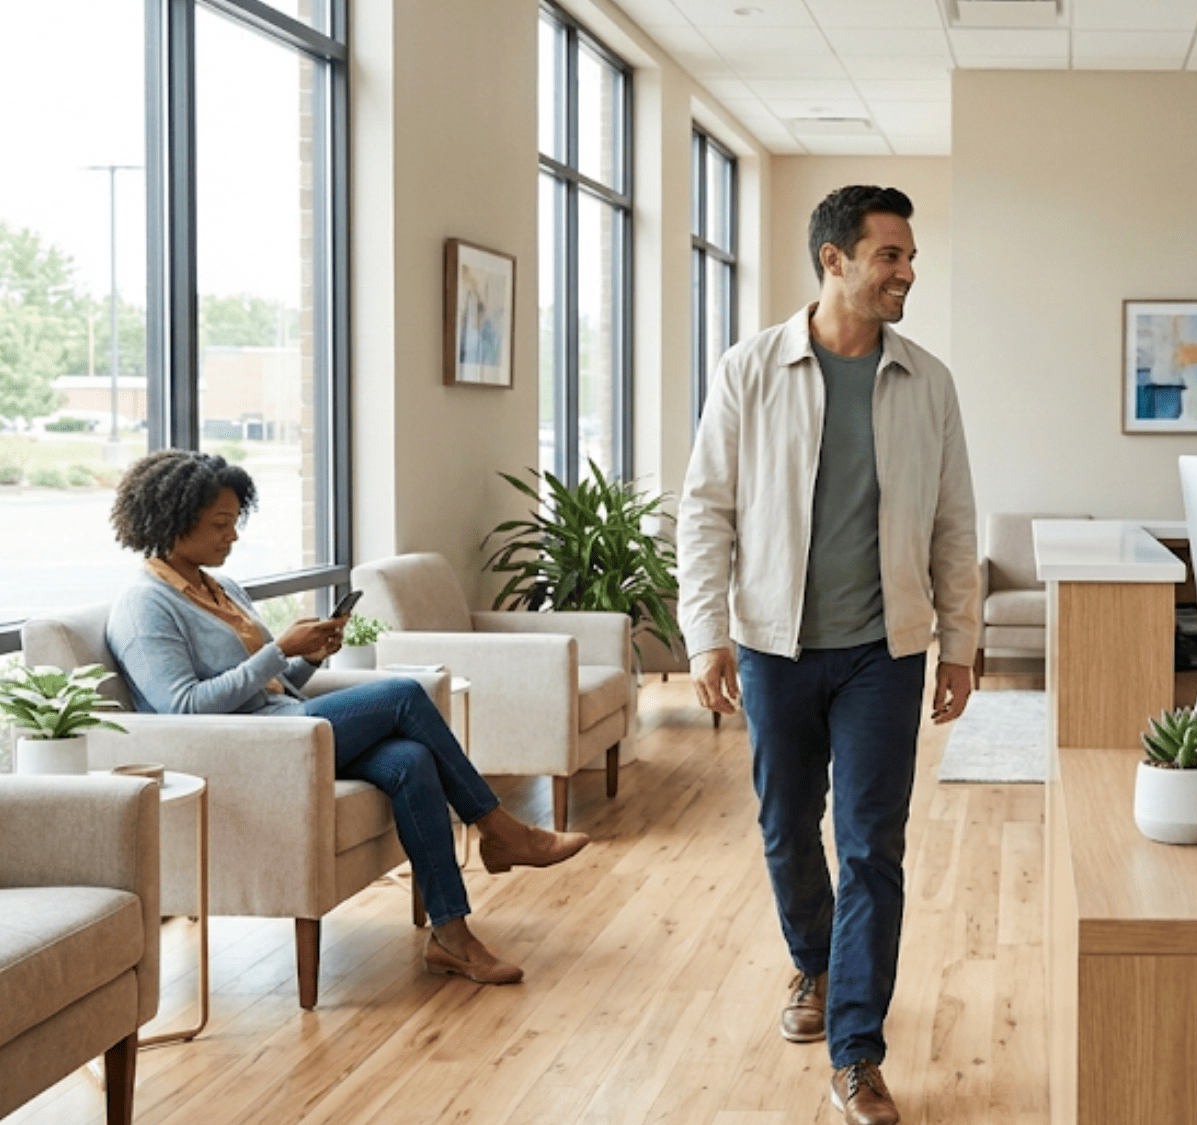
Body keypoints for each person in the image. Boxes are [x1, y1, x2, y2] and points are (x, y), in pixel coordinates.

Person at [677, 184, 978, 1125]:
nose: (907, 272)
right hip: (775, 646)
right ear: (834, 260)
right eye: (891, 254)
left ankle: (857, 1052)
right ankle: (813, 959)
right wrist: (706, 633)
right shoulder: (751, 369)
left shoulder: (928, 382)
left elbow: (954, 521)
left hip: (884, 652)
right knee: (785, 826)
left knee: (872, 844)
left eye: (910, 255)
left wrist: (961, 642)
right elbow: (706, 509)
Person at [104, 449, 588, 985]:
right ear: (172, 520)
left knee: (411, 760)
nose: (232, 536)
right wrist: (278, 650)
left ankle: (452, 937)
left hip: (289, 727)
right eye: (220, 524)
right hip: (249, 751)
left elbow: (271, 685)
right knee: (404, 695)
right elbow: (183, 708)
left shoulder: (222, 588)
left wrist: (308, 657)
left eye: (235, 521)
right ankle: (499, 829)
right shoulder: (144, 606)